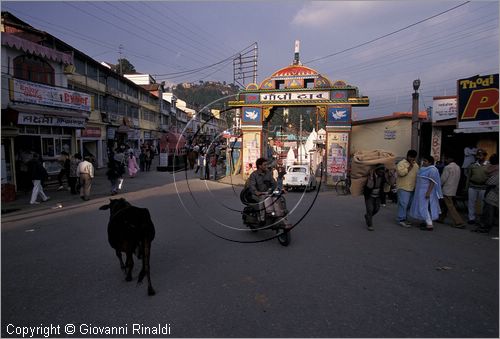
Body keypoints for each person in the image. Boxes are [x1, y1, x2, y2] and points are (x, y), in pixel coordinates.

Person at [247, 157, 292, 229]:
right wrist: (256, 192)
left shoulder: (268, 173)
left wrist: (281, 189)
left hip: (267, 193)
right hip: (257, 194)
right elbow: (251, 186)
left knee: (280, 197)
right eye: (264, 165)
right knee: (263, 200)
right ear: (259, 166)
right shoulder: (254, 175)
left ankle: (282, 213)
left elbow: (274, 183)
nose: (266, 166)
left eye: (266, 165)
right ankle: (262, 219)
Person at [409, 155, 443, 231]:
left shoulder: (433, 170)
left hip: (426, 191)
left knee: (424, 207)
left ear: (430, 162)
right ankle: (425, 221)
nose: (423, 162)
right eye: (423, 160)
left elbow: (432, 182)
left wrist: (428, 192)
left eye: (425, 161)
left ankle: (429, 224)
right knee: (422, 206)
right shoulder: (423, 169)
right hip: (420, 191)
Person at [437, 154, 465, 228]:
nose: (445, 160)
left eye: (446, 159)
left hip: (446, 189)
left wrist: (438, 185)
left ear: (450, 159)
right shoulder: (458, 167)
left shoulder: (447, 167)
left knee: (450, 206)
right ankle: (441, 218)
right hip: (453, 189)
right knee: (445, 205)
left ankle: (459, 222)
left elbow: (443, 179)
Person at [363, 164, 393, 231]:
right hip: (369, 196)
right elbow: (369, 186)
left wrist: (391, 176)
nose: (382, 172)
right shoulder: (371, 176)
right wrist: (370, 178)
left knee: (376, 209)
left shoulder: (383, 176)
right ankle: (370, 225)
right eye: (380, 170)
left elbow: (391, 183)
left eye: (383, 170)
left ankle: (367, 216)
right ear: (376, 170)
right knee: (370, 210)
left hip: (378, 196)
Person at [474, 154, 498, 233]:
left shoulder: (496, 169)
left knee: (488, 211)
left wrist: (487, 180)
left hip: (493, 193)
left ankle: (485, 226)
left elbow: (490, 182)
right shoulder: (492, 168)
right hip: (494, 192)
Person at [396, 149, 419, 227]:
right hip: (403, 187)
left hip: (412, 188)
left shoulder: (416, 165)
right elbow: (401, 173)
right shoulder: (401, 163)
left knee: (409, 204)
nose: (412, 159)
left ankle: (405, 218)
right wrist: (410, 167)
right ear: (407, 156)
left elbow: (417, 175)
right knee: (403, 204)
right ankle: (401, 219)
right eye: (411, 157)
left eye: (414, 158)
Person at [465, 149, 489, 225]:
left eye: (480, 155)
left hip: (483, 187)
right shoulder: (472, 165)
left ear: (485, 156)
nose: (479, 157)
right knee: (471, 203)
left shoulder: (489, 165)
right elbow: (468, 176)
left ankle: (481, 219)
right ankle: (471, 218)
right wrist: (466, 187)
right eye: (478, 155)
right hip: (472, 186)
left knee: (482, 204)